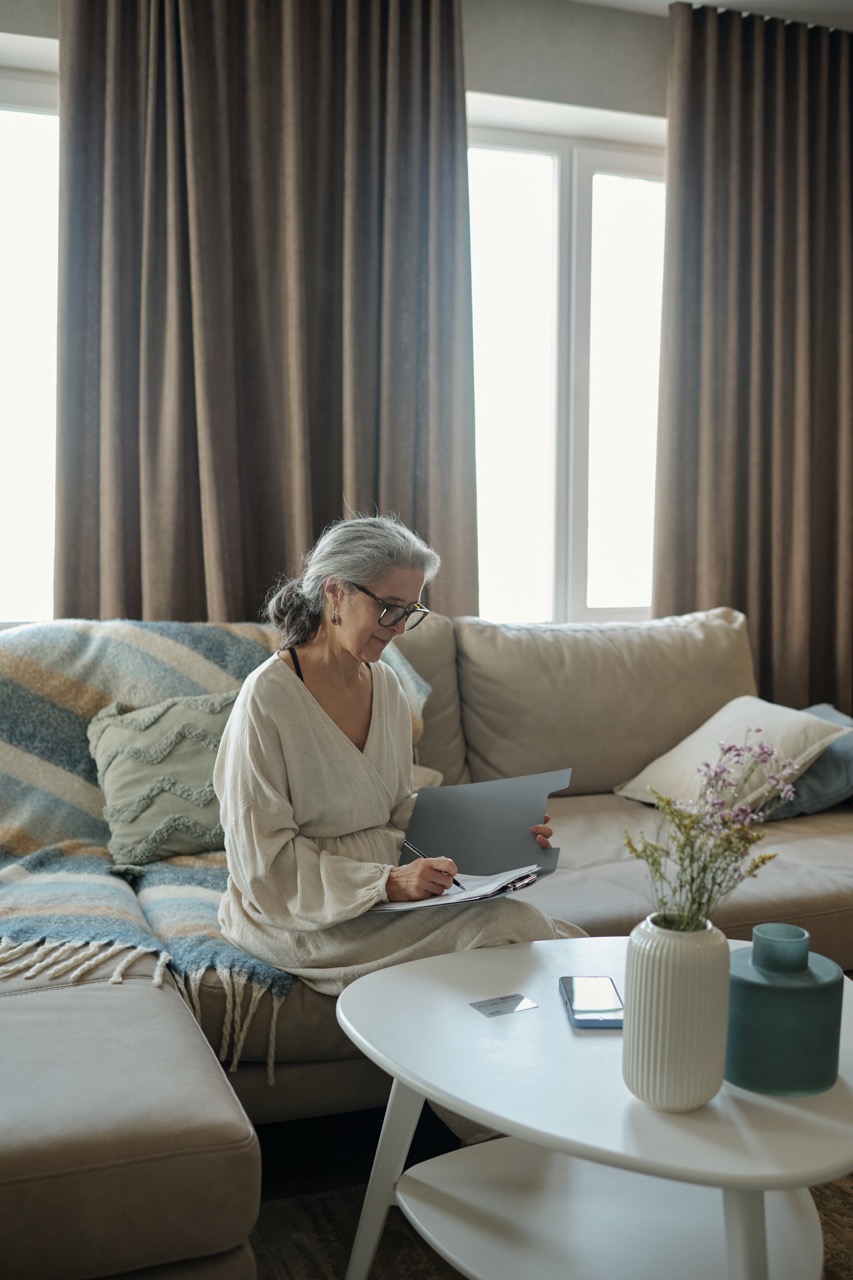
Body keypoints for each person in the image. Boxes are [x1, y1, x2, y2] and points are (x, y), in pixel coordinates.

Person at [214, 513, 586, 1002]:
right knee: (515, 930)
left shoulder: (385, 685)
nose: (400, 629)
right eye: (389, 607)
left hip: (385, 896)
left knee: (568, 942)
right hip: (298, 913)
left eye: (410, 610)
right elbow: (265, 866)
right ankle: (473, 1076)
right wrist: (385, 884)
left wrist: (500, 832)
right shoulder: (268, 699)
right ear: (334, 594)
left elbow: (393, 809)